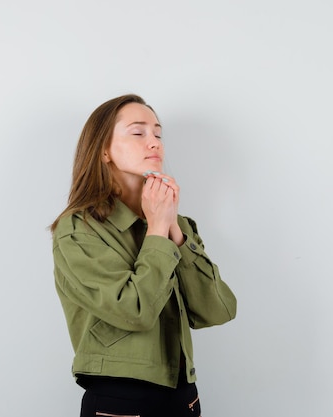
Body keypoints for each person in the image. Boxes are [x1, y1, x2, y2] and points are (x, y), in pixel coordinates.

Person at [51, 94, 237, 417]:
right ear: (104, 150)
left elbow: (219, 309)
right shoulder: (78, 229)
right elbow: (134, 310)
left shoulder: (172, 225)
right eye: (138, 133)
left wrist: (174, 233)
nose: (154, 143)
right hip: (121, 403)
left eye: (158, 134)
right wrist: (157, 231)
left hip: (184, 397)